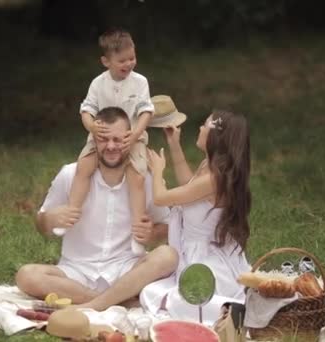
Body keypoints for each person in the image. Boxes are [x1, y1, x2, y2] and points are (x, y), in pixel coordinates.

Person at [16, 107, 178, 311]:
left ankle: (95, 303)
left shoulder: (144, 179)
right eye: (103, 139)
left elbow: (167, 226)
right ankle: (118, 301)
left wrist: (152, 233)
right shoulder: (70, 174)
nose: (111, 146)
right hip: (75, 272)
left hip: (126, 270)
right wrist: (50, 219)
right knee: (27, 275)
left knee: (167, 255)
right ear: (94, 139)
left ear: (130, 139)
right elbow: (41, 224)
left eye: (118, 140)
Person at [141, 107, 252, 323]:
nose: (200, 128)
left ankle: (225, 310)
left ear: (215, 137)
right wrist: (174, 144)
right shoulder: (209, 167)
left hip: (206, 259)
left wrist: (157, 171)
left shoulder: (214, 179)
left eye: (205, 124)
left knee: (157, 295)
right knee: (151, 290)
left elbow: (161, 198)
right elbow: (188, 187)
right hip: (193, 251)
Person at [60, 28, 154, 256]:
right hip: (101, 136)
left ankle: (138, 233)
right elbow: (87, 109)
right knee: (83, 167)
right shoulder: (98, 83)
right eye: (122, 60)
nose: (129, 64)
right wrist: (92, 127)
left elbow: (146, 111)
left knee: (138, 176)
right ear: (106, 61)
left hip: (132, 136)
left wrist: (135, 134)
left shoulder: (140, 82)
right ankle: (71, 213)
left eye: (132, 58)